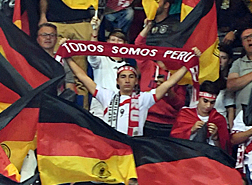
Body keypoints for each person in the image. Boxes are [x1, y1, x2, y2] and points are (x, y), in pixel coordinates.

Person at [65, 49, 193, 136]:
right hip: (111, 144)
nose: (127, 80)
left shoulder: (143, 99)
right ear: (117, 81)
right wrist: (68, 58)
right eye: (123, 77)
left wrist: (187, 64)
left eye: (131, 77)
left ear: (136, 82)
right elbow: (83, 77)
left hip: (133, 146)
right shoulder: (107, 96)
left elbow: (168, 84)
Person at [88, 19, 132, 120]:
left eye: (119, 40)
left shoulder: (128, 67)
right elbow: (92, 50)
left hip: (120, 107)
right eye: (113, 40)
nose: (115, 43)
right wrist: (95, 30)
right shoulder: (100, 60)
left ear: (125, 44)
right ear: (107, 42)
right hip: (99, 106)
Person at [171, 81, 230, 150]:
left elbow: (225, 151)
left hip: (210, 157)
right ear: (198, 98)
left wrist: (216, 137)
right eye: (205, 101)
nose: (208, 105)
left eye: (212, 102)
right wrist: (191, 130)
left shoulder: (219, 119)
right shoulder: (185, 114)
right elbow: (174, 141)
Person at [36, 23, 76, 91]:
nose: (48, 38)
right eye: (44, 35)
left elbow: (70, 83)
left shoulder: (62, 59)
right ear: (37, 38)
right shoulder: (31, 59)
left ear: (56, 39)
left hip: (57, 99)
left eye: (52, 35)